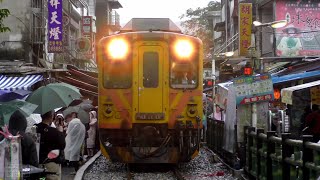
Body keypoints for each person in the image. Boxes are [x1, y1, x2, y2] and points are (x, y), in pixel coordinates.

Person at [36, 110, 65, 180]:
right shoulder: (54, 131)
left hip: (37, 164)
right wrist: (60, 133)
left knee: (41, 178)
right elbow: (62, 145)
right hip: (51, 165)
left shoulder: (35, 128)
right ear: (51, 117)